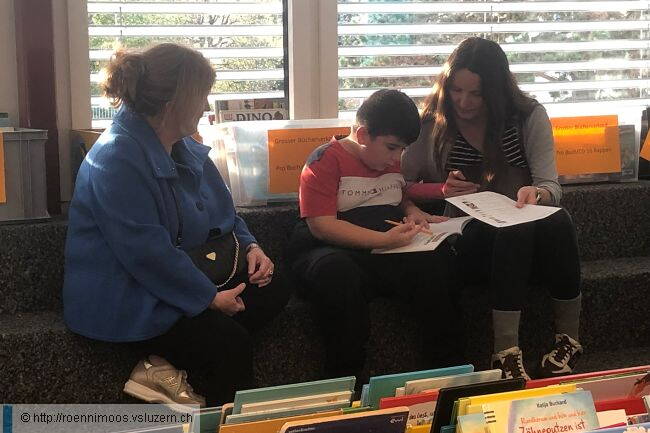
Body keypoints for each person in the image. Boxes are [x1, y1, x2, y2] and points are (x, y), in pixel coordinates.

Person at [63, 43, 290, 407]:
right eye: (202, 97)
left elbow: (225, 214)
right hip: (130, 296)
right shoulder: (116, 158)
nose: (205, 107)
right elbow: (146, 254)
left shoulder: (178, 143)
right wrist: (209, 299)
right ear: (174, 103)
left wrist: (252, 247)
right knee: (229, 344)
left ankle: (160, 367)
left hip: (177, 277)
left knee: (275, 287)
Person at [401, 37, 583, 380]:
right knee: (514, 227)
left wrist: (536, 194)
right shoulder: (430, 124)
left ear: (496, 91)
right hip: (467, 241)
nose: (464, 102)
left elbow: (551, 187)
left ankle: (569, 341)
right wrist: (417, 205)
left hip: (527, 242)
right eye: (456, 90)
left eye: (477, 93)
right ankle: (505, 352)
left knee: (558, 220)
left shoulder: (527, 116)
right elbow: (397, 186)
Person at [287, 89, 465, 383]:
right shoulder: (323, 160)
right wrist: (384, 241)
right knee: (336, 274)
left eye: (402, 150)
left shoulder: (387, 159)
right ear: (362, 134)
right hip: (330, 246)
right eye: (392, 148)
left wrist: (413, 209)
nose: (398, 157)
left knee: (438, 261)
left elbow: (395, 190)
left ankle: (447, 372)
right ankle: (345, 379)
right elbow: (322, 225)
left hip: (383, 242)